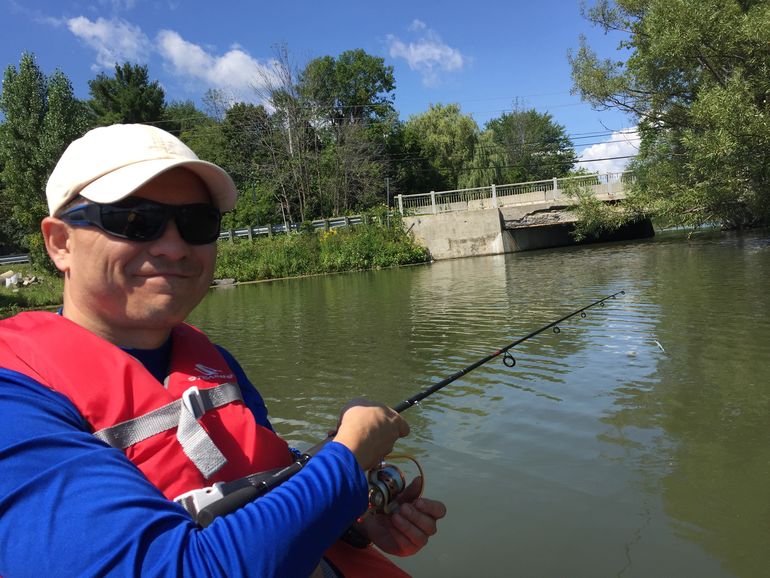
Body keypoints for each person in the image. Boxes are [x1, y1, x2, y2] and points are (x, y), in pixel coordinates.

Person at [0, 124, 446, 577]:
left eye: (196, 223)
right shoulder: (13, 400)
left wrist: (353, 518)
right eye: (133, 219)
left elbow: (259, 481)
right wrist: (345, 461)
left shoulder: (214, 364)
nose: (174, 247)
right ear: (60, 243)